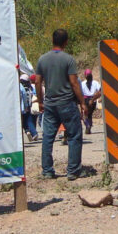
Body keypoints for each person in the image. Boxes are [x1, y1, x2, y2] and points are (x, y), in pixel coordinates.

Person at [35, 29, 88, 180]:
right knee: (74, 135)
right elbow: (74, 83)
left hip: (50, 104)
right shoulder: (68, 59)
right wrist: (82, 102)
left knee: (48, 137)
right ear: (66, 42)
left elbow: (37, 81)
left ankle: (47, 170)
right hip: (67, 103)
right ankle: (73, 171)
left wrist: (40, 101)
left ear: (52, 40)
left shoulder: (42, 59)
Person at [80, 69, 102, 134]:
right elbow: (100, 91)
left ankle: (88, 125)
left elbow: (80, 93)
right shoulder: (95, 83)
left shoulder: (82, 83)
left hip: (85, 100)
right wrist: (93, 99)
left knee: (84, 115)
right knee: (90, 114)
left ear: (85, 76)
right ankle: (89, 127)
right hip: (93, 100)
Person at [19, 74, 39, 142]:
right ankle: (34, 133)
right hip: (29, 106)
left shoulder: (20, 86)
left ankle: (27, 131)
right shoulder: (30, 87)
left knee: (22, 121)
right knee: (29, 120)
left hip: (22, 106)